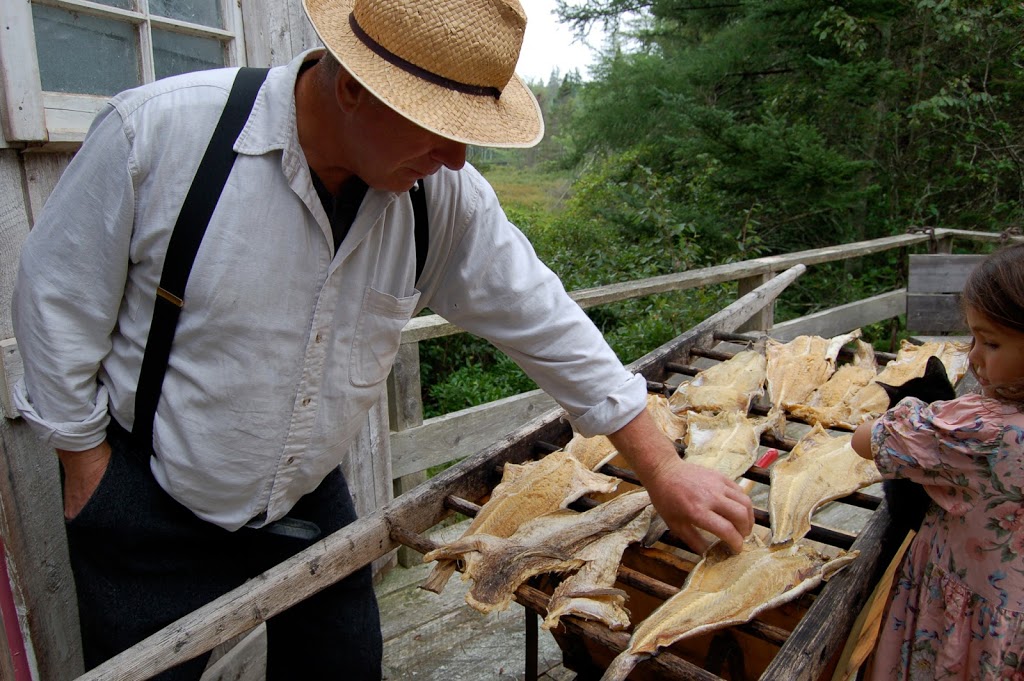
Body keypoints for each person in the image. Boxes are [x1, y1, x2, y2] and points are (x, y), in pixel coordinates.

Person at [11, 0, 754, 678]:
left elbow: (548, 322)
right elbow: (54, 307)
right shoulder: (161, 137)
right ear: (355, 88)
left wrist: (662, 470)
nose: (460, 159)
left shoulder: (442, 197)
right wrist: (88, 468)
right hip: (149, 499)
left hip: (306, 499)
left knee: (342, 668)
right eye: (440, 126)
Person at [852, 242, 1024, 680]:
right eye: (973, 338)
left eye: (990, 342)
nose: (974, 357)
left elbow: (864, 440)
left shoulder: (979, 429)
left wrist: (904, 411)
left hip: (958, 614)